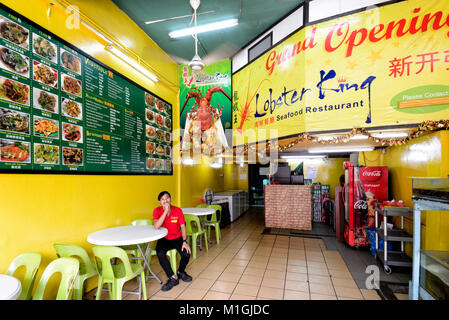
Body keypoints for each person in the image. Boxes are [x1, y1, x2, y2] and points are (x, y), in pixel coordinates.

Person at [153, 191, 192, 291]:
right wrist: (165, 211)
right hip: (164, 238)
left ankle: (181, 272)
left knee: (186, 253)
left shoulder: (178, 210)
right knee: (160, 253)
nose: (165, 200)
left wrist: (185, 241)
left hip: (177, 238)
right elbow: (157, 226)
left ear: (170, 199)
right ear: (159, 202)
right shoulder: (157, 210)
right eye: (162, 199)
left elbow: (183, 227)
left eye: (167, 198)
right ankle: (172, 277)